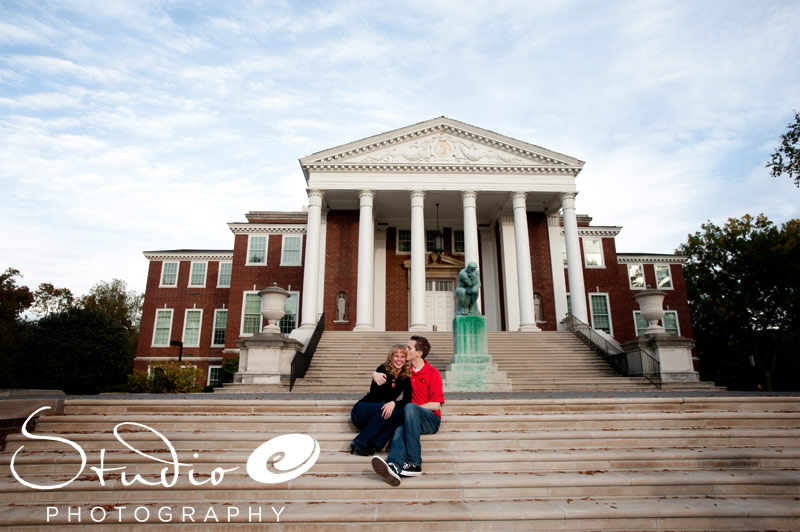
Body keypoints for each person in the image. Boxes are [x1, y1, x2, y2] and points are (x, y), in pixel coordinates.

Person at [371, 335, 444, 486]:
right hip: (410, 420)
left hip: (430, 420)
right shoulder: (405, 372)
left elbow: (436, 405)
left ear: (419, 353)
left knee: (410, 407)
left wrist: (413, 409)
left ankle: (414, 462)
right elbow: (386, 369)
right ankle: (393, 467)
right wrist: (375, 374)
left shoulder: (433, 373)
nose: (406, 350)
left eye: (409, 348)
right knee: (399, 430)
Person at [349, 344, 412, 456]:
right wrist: (374, 374)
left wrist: (394, 403)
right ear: (391, 358)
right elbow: (378, 397)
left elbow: (407, 399)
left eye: (402, 356)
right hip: (363, 411)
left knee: (399, 411)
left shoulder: (405, 376)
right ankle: (359, 442)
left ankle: (375, 444)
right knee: (391, 409)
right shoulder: (382, 370)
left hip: (377, 418)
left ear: (405, 359)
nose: (399, 359)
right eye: (396, 356)